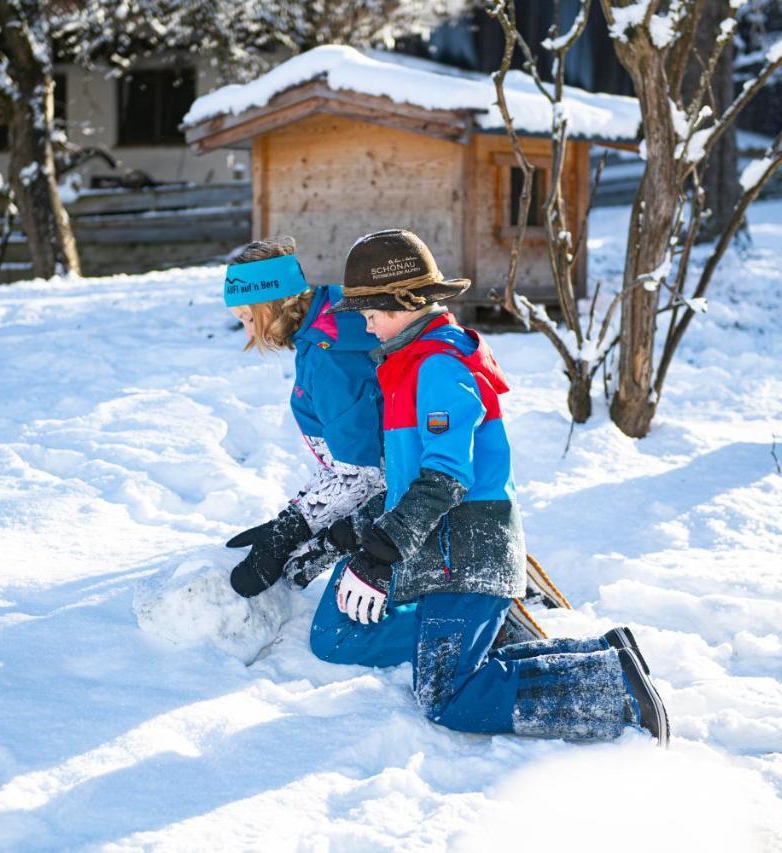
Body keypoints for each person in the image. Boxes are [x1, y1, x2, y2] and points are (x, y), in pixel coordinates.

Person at [312, 228, 669, 744]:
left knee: (448, 697)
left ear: (409, 301)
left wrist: (381, 553)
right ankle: (604, 660)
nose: (367, 326)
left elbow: (447, 476)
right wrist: (361, 532)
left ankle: (616, 693)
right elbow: (413, 476)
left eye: (373, 312)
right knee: (433, 672)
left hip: (469, 551)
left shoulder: (437, 365)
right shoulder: (408, 364)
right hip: (444, 551)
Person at [221, 238, 386, 598]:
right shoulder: (332, 322)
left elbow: (363, 474)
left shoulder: (329, 358)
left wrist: (290, 530)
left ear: (273, 304)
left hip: (398, 518)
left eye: (249, 318)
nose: (249, 333)